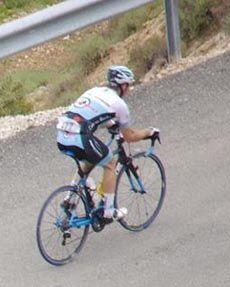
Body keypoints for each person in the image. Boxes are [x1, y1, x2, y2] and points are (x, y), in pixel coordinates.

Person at [56, 65, 160, 221]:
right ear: (123, 85)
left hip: (62, 135)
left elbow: (88, 114)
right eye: (128, 86)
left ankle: (69, 201)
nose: (129, 89)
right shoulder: (119, 104)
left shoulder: (93, 91)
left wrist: (110, 124)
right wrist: (149, 132)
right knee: (110, 162)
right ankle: (109, 211)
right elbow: (130, 136)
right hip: (79, 137)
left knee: (90, 160)